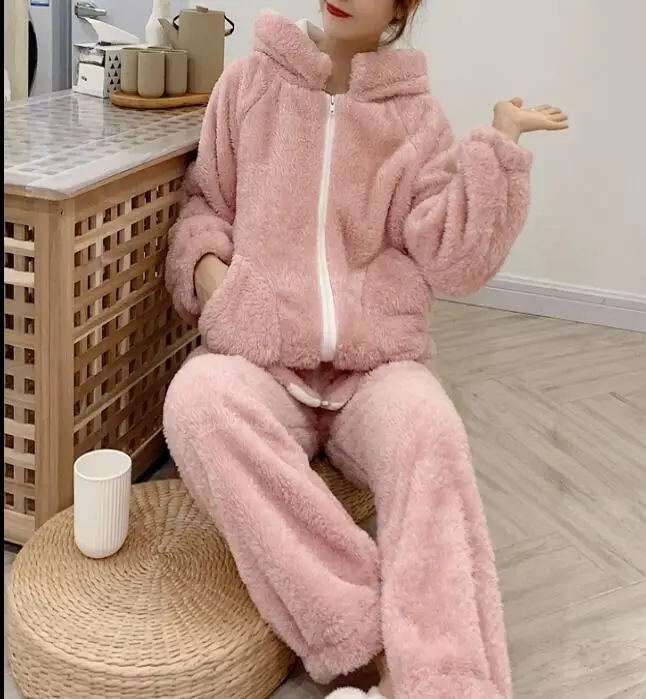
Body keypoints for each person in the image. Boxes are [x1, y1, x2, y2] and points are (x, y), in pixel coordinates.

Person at [162, 3, 567, 698]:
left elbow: (451, 263)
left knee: (430, 430)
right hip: (264, 357)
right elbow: (206, 205)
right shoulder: (249, 83)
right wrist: (211, 277)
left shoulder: (417, 119)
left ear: (403, 7)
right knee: (197, 401)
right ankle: (355, 630)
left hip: (375, 366)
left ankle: (448, 681)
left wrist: (497, 151)